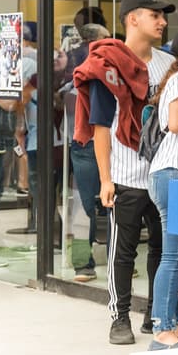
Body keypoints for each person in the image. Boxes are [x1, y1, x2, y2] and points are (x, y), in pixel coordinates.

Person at [73, 0, 175, 345]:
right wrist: (105, 179)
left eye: (163, 16)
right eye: (155, 15)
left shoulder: (169, 65)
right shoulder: (109, 64)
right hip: (126, 175)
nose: (162, 22)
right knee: (123, 252)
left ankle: (156, 316)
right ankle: (119, 318)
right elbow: (100, 126)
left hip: (164, 173)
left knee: (164, 251)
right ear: (133, 19)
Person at [147, 31, 178, 349]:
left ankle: (174, 323)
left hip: (175, 174)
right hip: (175, 172)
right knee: (175, 255)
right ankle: (163, 327)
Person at [66, 23, 111, 282]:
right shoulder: (103, 59)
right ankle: (116, 261)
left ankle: (83, 264)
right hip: (95, 136)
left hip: (81, 137)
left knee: (84, 204)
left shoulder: (71, 57)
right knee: (113, 200)